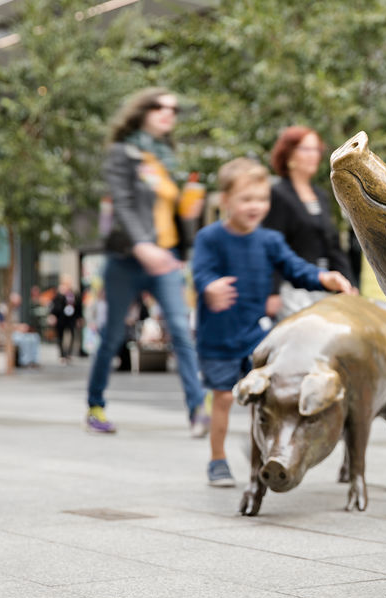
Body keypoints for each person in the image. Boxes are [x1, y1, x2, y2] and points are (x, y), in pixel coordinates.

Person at [191, 157, 354, 487]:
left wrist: (325, 278)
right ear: (225, 201)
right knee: (223, 397)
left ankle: (262, 451)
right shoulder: (210, 238)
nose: (255, 206)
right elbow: (201, 272)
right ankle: (217, 459)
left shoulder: (269, 241)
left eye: (262, 199)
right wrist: (209, 287)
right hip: (218, 338)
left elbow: (296, 269)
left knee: (268, 393)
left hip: (255, 335)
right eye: (246, 199)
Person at [84, 87, 205, 435]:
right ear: (141, 111)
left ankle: (198, 410)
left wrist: (189, 211)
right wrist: (142, 246)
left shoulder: (167, 158)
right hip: (128, 259)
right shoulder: (123, 153)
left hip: (164, 258)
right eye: (159, 107)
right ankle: (95, 406)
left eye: (173, 108)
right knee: (112, 336)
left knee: (181, 332)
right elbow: (122, 203)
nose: (169, 113)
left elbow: (172, 212)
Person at [263, 126, 355, 319]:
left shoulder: (321, 195)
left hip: (324, 285)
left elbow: (334, 246)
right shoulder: (278, 195)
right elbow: (272, 246)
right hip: (293, 290)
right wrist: (272, 292)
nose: (314, 155)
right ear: (288, 155)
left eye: (316, 150)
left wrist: (349, 284)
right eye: (306, 149)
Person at [49, 280, 81, 365]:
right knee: (60, 337)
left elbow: (78, 306)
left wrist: (79, 318)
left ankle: (69, 354)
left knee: (72, 335)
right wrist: (52, 316)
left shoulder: (73, 295)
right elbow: (54, 306)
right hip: (61, 319)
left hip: (71, 318)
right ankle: (62, 355)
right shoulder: (59, 295)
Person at [7, 292, 42, 368]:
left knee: (34, 337)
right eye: (17, 302)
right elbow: (4, 325)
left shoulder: (15, 310)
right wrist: (18, 327)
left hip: (17, 332)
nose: (18, 304)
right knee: (23, 340)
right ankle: (24, 361)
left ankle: (33, 360)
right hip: (8, 334)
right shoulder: (5, 309)